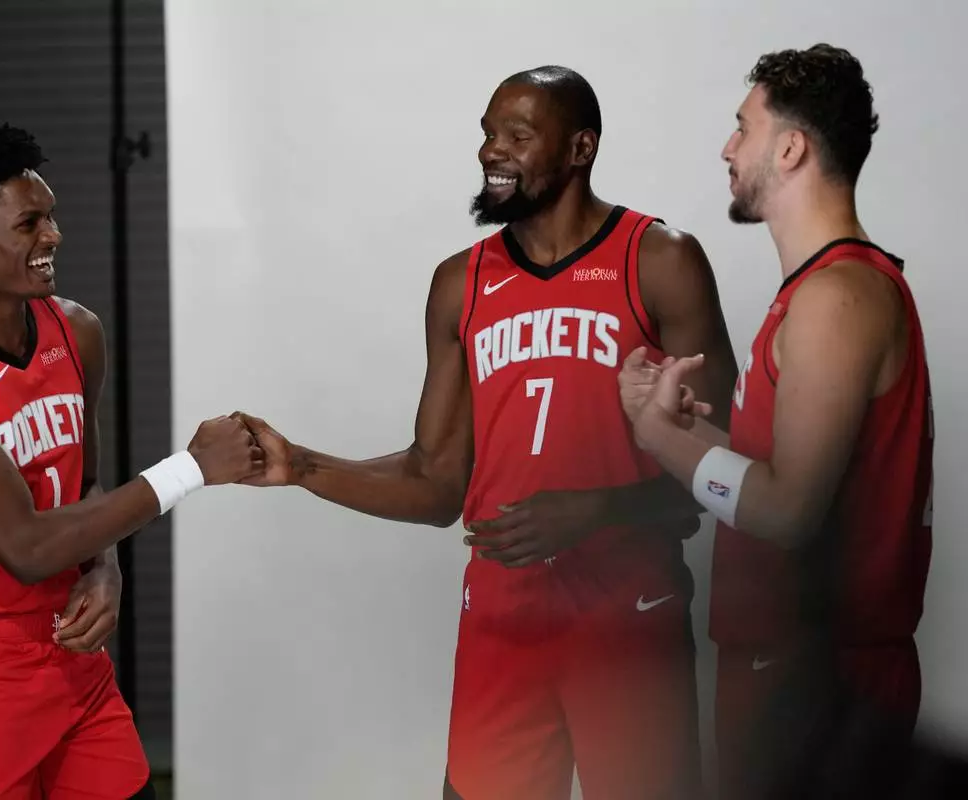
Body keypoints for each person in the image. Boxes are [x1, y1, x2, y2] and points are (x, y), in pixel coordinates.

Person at [236, 66, 739, 799]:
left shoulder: (660, 260)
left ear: (581, 148)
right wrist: (302, 466)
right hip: (503, 626)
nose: (491, 151)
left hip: (628, 624)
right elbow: (436, 482)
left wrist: (599, 509)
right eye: (487, 133)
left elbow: (726, 469)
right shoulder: (460, 283)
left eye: (518, 136)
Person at [0, 121, 262, 799]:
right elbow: (26, 547)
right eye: (28, 223)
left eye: (50, 217)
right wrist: (191, 468)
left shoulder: (76, 331)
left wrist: (105, 569)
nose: (52, 236)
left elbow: (86, 489)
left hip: (72, 658)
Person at [622, 44, 934, 799]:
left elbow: (789, 511)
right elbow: (769, 476)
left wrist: (658, 438)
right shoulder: (817, 292)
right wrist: (679, 428)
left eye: (743, 126)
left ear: (790, 149)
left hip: (823, 679)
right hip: (784, 668)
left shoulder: (837, 297)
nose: (727, 147)